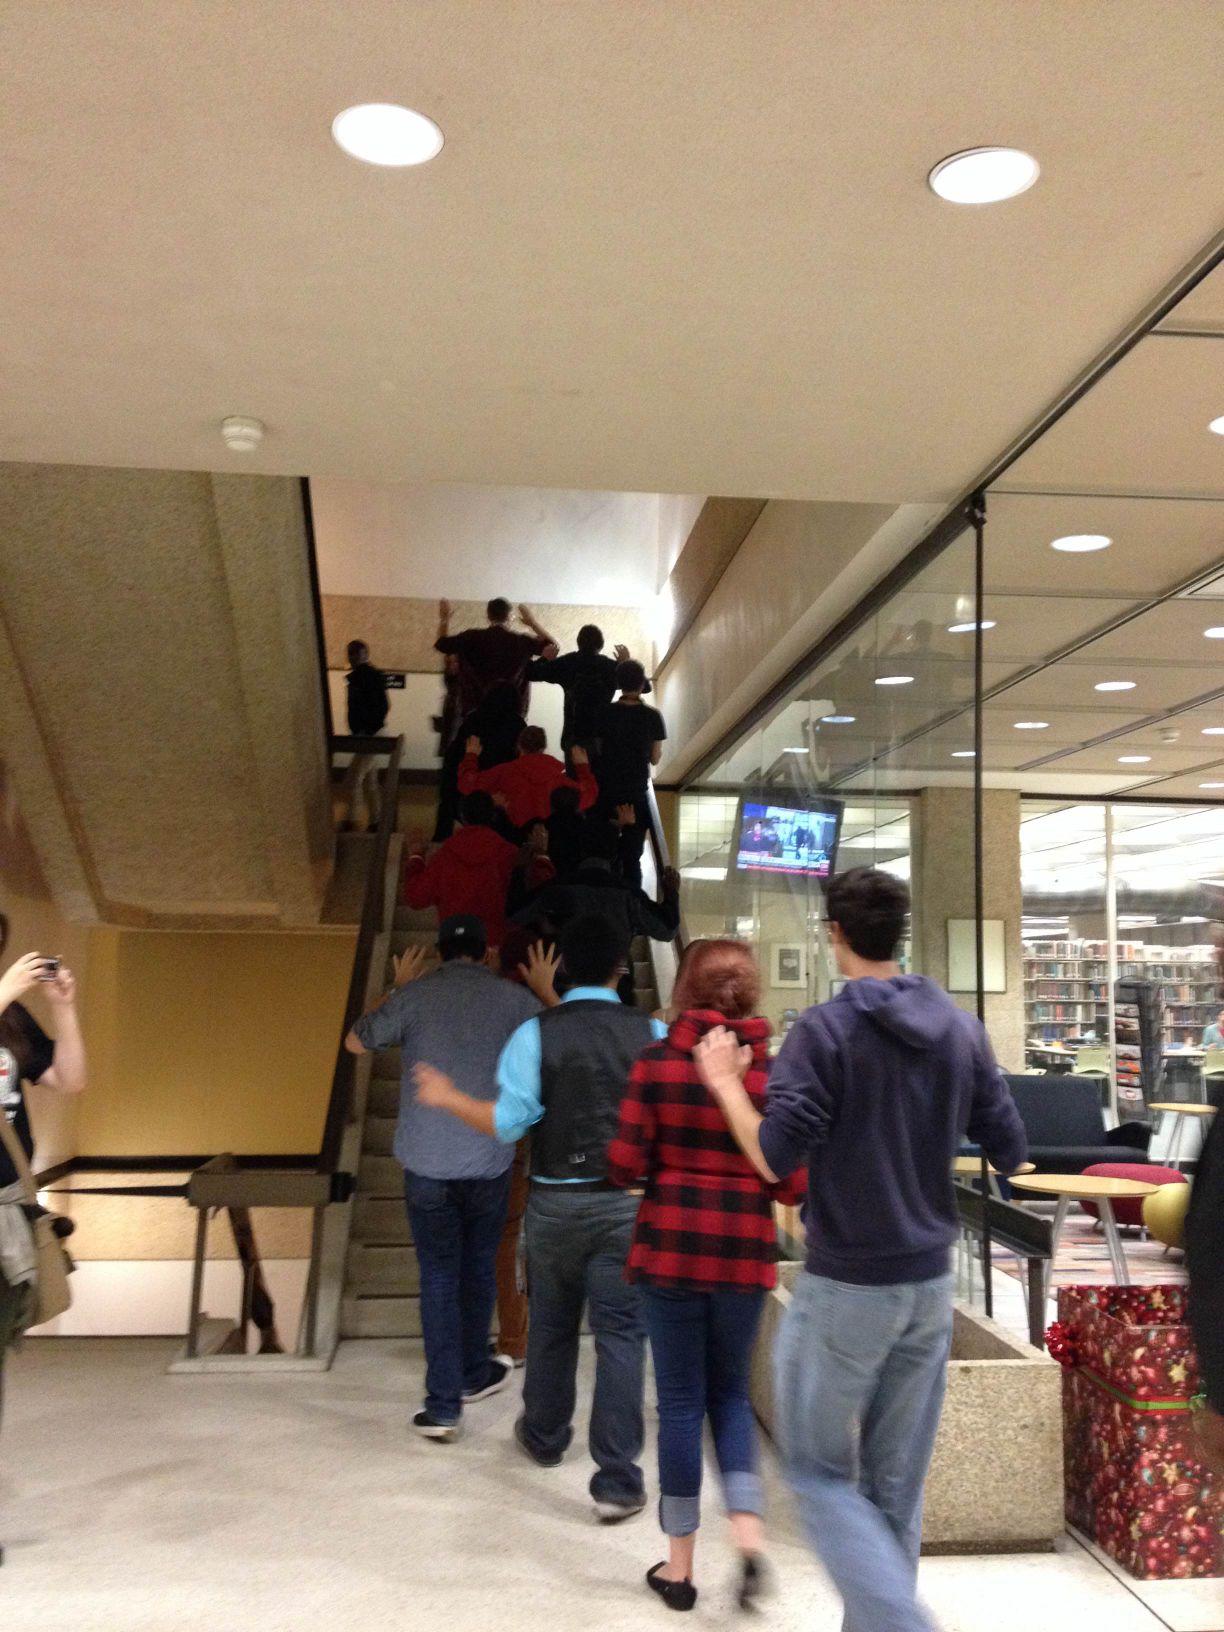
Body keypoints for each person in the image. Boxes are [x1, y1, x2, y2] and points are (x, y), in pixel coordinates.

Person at [695, 868, 1028, 1632]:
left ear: (834, 935)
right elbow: (1011, 1147)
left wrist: (724, 1086)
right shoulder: (959, 1027)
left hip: (846, 1288)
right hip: (927, 1289)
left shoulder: (824, 1031)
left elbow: (775, 1157)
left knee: (815, 1473)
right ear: (898, 933)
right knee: (893, 1491)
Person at [416, 913, 663, 1520]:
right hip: (627, 1207)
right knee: (622, 1339)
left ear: (563, 968)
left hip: (554, 1205)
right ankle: (617, 1480)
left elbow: (509, 1124)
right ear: (622, 968)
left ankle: (546, 1437)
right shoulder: (653, 1032)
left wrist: (448, 1098)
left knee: (551, 1327)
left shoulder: (536, 1032)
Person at [608, 939, 803, 1614]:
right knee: (730, 1400)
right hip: (744, 1256)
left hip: (669, 1253)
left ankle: (680, 1566)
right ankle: (749, 1540)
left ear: (685, 989)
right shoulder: (772, 1077)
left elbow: (624, 1165)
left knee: (682, 1404)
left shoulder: (657, 1066)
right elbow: (791, 1184)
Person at [345, 915, 541, 1441]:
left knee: (437, 1276)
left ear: (438, 952)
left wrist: (396, 989)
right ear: (487, 952)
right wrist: (543, 988)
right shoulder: (512, 999)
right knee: (478, 1268)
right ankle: (475, 1371)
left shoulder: (415, 996)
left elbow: (356, 1043)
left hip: (427, 1164)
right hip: (488, 1157)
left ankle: (443, 1405)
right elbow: (558, 1035)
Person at [0, 950, 87, 1454]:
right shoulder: (4, 1000)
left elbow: (70, 1081)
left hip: (7, 1207)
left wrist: (64, 1009)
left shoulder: (10, 1016)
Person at [493, 929, 562, 1368]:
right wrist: (548, 992)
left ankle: (507, 1337)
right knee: (517, 1237)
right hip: (528, 1139)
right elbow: (583, 1039)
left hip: (480, 1131)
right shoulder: (537, 1011)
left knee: (495, 1242)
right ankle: (519, 1336)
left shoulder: (481, 1002)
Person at [404, 791, 552, 950]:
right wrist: (541, 855)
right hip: (498, 945)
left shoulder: (445, 855)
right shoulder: (509, 853)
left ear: (462, 817)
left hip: (455, 943)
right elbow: (541, 890)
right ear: (492, 816)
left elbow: (416, 896)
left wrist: (416, 856)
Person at [515, 819, 681, 949]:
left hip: (564, 977)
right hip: (615, 981)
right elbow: (667, 930)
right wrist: (671, 892)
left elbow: (516, 915)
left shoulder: (557, 888)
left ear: (581, 850)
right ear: (613, 854)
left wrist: (520, 870)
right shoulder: (629, 895)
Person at [593, 659, 666, 888]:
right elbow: (654, 758)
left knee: (605, 851)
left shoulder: (604, 713)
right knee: (632, 857)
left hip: (607, 790)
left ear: (618, 683)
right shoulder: (653, 717)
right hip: (636, 792)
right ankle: (632, 903)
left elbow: (598, 751)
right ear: (642, 682)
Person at [528, 625, 649, 759]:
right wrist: (626, 663)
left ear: (579, 642)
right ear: (601, 644)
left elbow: (531, 673)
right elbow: (645, 687)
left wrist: (544, 658)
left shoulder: (567, 663)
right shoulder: (610, 667)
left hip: (573, 736)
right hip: (602, 736)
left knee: (575, 779)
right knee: (601, 778)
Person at [435, 598, 557, 721]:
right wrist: (532, 623)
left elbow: (441, 644)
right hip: (512, 715)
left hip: (475, 713)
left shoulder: (471, 637)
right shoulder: (521, 642)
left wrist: (444, 619)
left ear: (488, 616)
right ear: (509, 617)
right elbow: (552, 647)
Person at [458, 726, 598, 832]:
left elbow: (468, 784)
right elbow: (587, 796)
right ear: (543, 748)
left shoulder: (504, 772)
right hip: (546, 840)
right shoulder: (558, 779)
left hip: (509, 835)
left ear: (519, 746)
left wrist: (471, 756)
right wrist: (582, 767)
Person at [433, 682, 525, 843]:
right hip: (500, 789)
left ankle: (442, 840)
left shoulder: (473, 718)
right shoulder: (516, 724)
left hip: (468, 783)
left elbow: (455, 753)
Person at [341, 639, 390, 832]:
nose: (352, 658)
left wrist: (363, 731)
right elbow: (382, 706)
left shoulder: (362, 678)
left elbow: (380, 707)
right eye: (351, 654)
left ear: (364, 655)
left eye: (355, 654)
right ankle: (376, 821)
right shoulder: (371, 676)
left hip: (371, 736)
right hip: (372, 734)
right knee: (370, 781)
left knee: (353, 778)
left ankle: (352, 820)